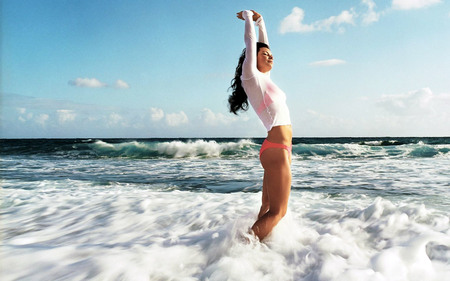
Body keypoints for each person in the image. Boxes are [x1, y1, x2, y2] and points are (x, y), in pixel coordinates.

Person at [229, 10, 292, 241]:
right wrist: (248, 18)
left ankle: (254, 254)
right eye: (264, 54)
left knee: (267, 207)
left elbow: (262, 43)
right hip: (276, 148)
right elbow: (252, 42)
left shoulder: (266, 79)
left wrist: (261, 20)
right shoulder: (252, 77)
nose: (270, 56)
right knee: (279, 212)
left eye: (271, 54)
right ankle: (240, 249)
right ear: (252, 59)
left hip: (278, 148)